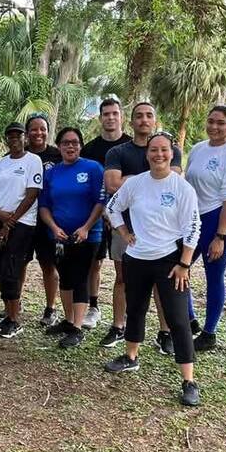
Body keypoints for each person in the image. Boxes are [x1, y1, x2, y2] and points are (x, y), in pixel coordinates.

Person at [104, 132, 202, 407]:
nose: (159, 155)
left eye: (164, 150)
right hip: (136, 258)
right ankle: (131, 357)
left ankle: (188, 380)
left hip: (170, 261)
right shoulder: (135, 183)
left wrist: (184, 263)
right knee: (135, 309)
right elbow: (112, 208)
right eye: (153, 150)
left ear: (172, 154)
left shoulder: (182, 187)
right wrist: (124, 233)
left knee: (178, 319)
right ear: (146, 155)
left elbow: (193, 227)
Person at [103, 101, 183, 353]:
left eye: (149, 115)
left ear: (155, 120)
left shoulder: (172, 150)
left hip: (163, 231)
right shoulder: (118, 152)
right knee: (123, 279)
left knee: (162, 283)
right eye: (138, 116)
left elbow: (173, 180)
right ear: (131, 120)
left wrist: (132, 181)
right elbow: (113, 186)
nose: (143, 120)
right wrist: (150, 179)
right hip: (126, 228)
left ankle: (164, 332)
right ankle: (118, 326)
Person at [182, 105, 226, 351]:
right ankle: (189, 319)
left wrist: (219, 236)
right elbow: (188, 185)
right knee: (179, 266)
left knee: (213, 275)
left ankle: (209, 332)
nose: (215, 127)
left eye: (220, 123)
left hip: (218, 219)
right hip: (194, 219)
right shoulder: (198, 149)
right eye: (211, 121)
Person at [38, 127, 106, 349]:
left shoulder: (92, 168)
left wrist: (86, 227)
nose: (70, 146)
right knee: (65, 277)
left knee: (80, 278)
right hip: (58, 235)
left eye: (75, 142)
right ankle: (68, 321)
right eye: (66, 142)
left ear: (80, 145)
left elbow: (99, 202)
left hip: (86, 235)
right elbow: (45, 206)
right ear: (58, 145)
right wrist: (54, 227)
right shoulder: (52, 173)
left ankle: (77, 327)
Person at [0, 123, 43, 338]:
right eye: (11, 136)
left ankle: (15, 319)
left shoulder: (33, 161)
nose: (14, 139)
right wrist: (0, 216)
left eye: (19, 135)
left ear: (25, 138)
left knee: (12, 269)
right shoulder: (0, 163)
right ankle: (8, 315)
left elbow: (32, 194)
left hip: (22, 222)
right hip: (1, 220)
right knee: (0, 267)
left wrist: (10, 221)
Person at [80, 98, 131, 332]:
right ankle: (93, 306)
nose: (111, 117)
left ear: (121, 117)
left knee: (127, 268)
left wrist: (117, 214)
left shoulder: (131, 146)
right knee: (94, 263)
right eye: (106, 114)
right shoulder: (90, 149)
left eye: (115, 113)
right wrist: (99, 214)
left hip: (126, 218)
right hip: (97, 216)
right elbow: (88, 185)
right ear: (100, 118)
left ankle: (127, 314)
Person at [23, 112, 62, 326]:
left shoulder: (57, 156)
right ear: (27, 133)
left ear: (48, 131)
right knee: (20, 263)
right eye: (34, 129)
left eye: (42, 129)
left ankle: (50, 308)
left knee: (49, 265)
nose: (38, 133)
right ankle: (14, 303)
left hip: (49, 219)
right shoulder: (20, 154)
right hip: (24, 218)